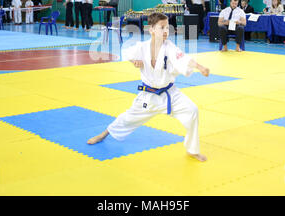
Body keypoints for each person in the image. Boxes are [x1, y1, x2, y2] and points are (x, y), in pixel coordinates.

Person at [87, 12, 209, 162]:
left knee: (192, 110)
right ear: (151, 29)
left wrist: (200, 67)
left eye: (167, 28)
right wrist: (135, 62)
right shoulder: (142, 47)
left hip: (169, 94)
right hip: (148, 96)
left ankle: (192, 150)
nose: (166, 31)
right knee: (127, 118)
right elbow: (127, 53)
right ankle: (103, 134)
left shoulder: (170, 47)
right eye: (161, 27)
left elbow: (183, 58)